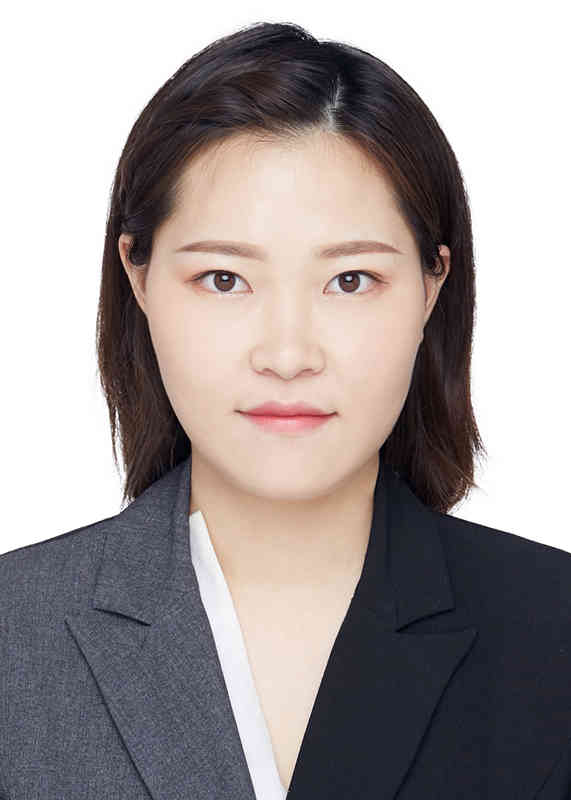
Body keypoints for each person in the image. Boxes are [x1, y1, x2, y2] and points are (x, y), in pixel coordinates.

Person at [1, 20, 570, 800]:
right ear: (138, 276)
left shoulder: (553, 629)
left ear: (431, 285)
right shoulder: (14, 633)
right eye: (224, 280)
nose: (288, 353)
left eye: (350, 281)